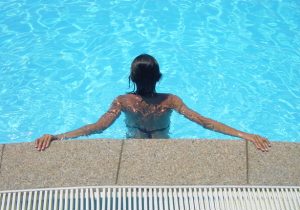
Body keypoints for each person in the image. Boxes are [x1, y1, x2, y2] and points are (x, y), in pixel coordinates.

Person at [35, 54, 271, 151]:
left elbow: (96, 128)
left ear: (131, 79)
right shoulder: (171, 100)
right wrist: (244, 135)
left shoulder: (123, 101)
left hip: (134, 146)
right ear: (158, 77)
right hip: (163, 145)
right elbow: (204, 122)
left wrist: (58, 136)